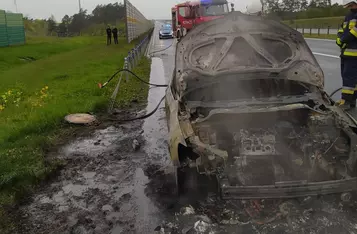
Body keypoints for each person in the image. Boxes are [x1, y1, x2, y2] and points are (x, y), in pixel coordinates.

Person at [336, 0, 357, 110]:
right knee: (348, 76)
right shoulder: (349, 15)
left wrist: (343, 40)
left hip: (354, 53)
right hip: (346, 53)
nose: (350, 7)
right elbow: (341, 29)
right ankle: (351, 100)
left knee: (349, 77)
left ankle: (346, 102)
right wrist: (338, 38)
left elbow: (354, 32)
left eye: (351, 5)